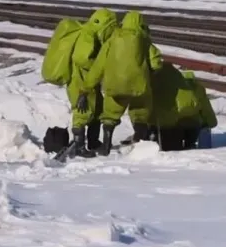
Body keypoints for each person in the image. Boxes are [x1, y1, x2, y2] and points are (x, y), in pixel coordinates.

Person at [77, 10, 163, 156]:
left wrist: (85, 90)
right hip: (139, 86)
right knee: (140, 111)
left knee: (110, 115)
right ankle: (139, 140)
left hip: (114, 86)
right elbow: (156, 63)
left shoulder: (112, 39)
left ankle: (106, 147)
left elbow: (98, 67)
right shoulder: (144, 40)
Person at [67, 8, 118, 158]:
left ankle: (93, 141)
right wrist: (99, 67)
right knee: (82, 111)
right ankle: (79, 146)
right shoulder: (87, 36)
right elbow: (81, 58)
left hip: (88, 79)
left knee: (97, 109)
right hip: (79, 80)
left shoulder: (93, 34)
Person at [147, 63, 216, 151]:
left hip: (169, 126)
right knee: (197, 126)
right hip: (193, 126)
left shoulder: (166, 87)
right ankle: (191, 147)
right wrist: (210, 123)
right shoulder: (198, 88)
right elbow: (207, 109)